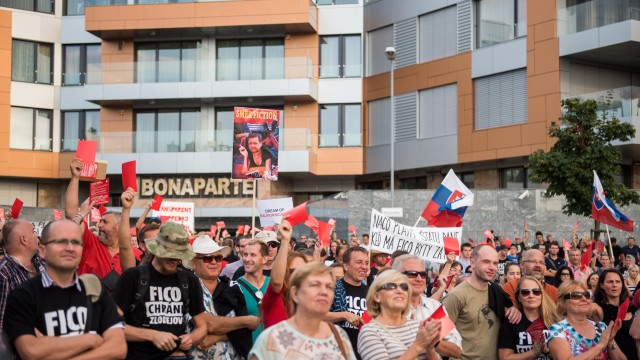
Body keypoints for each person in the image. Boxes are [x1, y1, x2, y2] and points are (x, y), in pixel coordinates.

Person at [2, 220, 127, 359]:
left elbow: (118, 348)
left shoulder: (94, 289)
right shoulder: (22, 296)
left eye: (76, 242)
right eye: (61, 241)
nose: (70, 248)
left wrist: (51, 347)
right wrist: (89, 340)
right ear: (42, 250)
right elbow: (31, 351)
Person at [112, 222, 208, 360]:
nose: (174, 259)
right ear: (156, 250)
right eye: (169, 254)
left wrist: (191, 338)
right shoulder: (133, 277)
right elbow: (111, 325)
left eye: (179, 254)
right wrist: (152, 335)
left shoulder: (189, 280)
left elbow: (202, 327)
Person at [249, 262, 357, 360]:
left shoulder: (339, 335)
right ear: (295, 293)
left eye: (329, 287)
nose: (324, 291)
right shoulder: (272, 338)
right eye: (315, 285)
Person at [65, 159, 139, 289]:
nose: (99, 225)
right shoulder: (90, 241)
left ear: (118, 227)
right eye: (99, 221)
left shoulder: (133, 253)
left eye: (105, 222)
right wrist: (75, 178)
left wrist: (126, 208)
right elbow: (71, 213)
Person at [185, 234, 259, 360]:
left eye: (218, 258)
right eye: (208, 258)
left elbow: (246, 330)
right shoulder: (186, 288)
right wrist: (245, 321)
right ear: (193, 262)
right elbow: (207, 324)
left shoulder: (232, 287)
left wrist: (217, 336)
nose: (214, 262)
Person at [443, 244, 522, 359]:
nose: (492, 267)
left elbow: (509, 308)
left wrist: (514, 310)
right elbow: (438, 337)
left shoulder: (497, 290)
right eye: (486, 262)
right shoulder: (456, 296)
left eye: (495, 263)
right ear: (472, 263)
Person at [357, 269, 441, 360]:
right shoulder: (370, 331)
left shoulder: (417, 326)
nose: (400, 291)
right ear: (377, 297)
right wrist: (418, 345)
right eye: (391, 286)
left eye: (404, 287)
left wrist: (430, 348)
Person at [392, 254, 462, 358]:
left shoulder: (434, 307)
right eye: (412, 274)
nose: (419, 278)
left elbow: (457, 351)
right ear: (396, 276)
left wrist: (434, 342)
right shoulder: (387, 308)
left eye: (423, 274)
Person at [548, 281, 625, 360]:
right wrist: (600, 346)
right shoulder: (557, 330)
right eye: (576, 295)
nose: (584, 299)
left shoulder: (601, 327)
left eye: (586, 295)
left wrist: (610, 341)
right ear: (562, 303)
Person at [498, 276, 560, 360]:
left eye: (536, 292)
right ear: (518, 297)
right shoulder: (512, 321)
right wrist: (532, 353)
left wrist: (546, 350)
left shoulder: (554, 320)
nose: (531, 295)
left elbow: (564, 356)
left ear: (542, 295)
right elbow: (504, 358)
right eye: (525, 292)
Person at [262, 220, 309, 328]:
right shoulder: (274, 298)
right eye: (293, 271)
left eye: (302, 271)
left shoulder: (308, 303)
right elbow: (277, 282)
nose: (298, 275)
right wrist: (285, 240)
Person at [0, 219, 45, 330]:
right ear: (24, 240)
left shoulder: (40, 263)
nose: (37, 235)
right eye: (33, 231)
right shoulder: (4, 273)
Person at [327, 246, 369, 359]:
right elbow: (317, 315)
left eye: (366, 263)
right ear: (346, 266)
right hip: (336, 352)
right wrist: (344, 315)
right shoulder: (331, 288)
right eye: (359, 262)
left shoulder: (372, 293)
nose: (364, 267)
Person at [592, 269, 638, 360]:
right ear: (602, 285)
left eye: (618, 282)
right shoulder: (598, 308)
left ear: (622, 284)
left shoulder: (632, 307)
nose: (614, 285)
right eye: (610, 282)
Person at [236, 237, 270, 342]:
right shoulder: (235, 287)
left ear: (264, 259)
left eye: (253, 255)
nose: (247, 259)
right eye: (245, 255)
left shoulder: (273, 284)